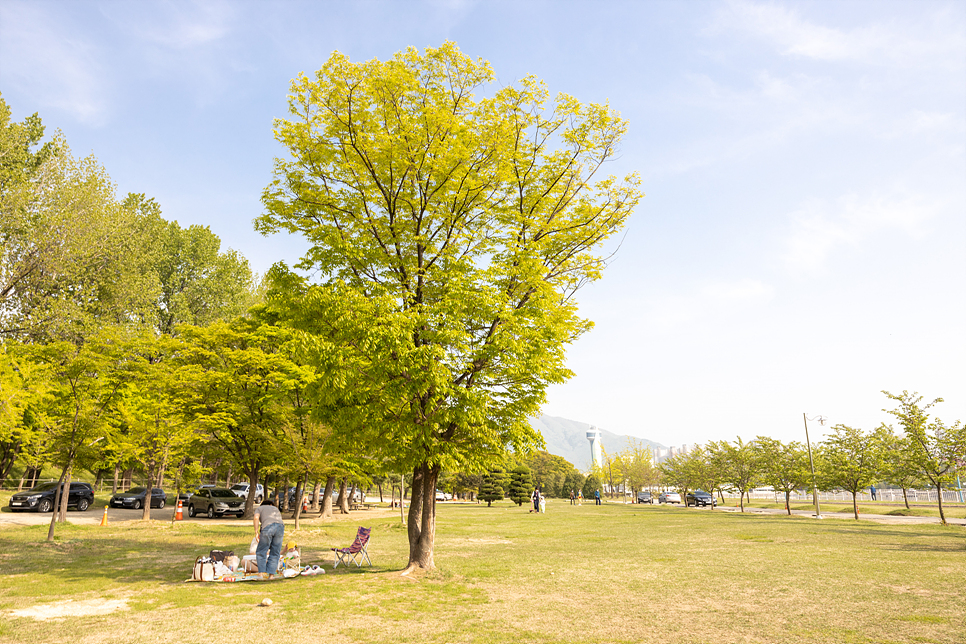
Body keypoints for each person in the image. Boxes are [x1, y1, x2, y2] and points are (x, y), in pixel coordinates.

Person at [253, 498, 284, 579]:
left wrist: (256, 532)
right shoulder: (275, 508)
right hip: (280, 527)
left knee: (261, 551)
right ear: (270, 504)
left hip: (268, 527)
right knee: (275, 552)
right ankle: (271, 576)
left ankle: (261, 574)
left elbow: (256, 518)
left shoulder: (259, 508)